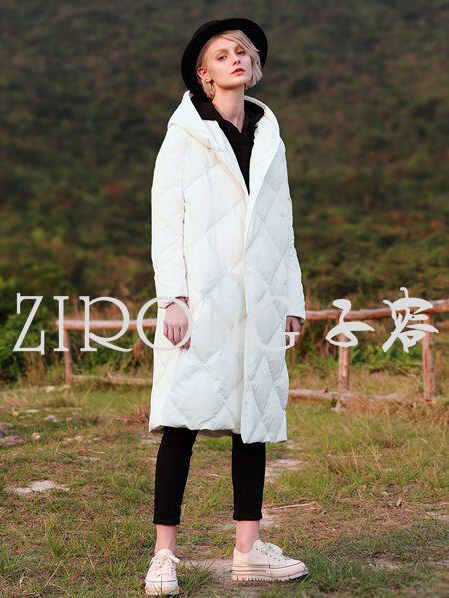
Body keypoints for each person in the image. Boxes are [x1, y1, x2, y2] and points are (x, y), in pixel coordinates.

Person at [145, 18, 308, 595]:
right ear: (204, 73)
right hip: (202, 299)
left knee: (252, 424)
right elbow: (166, 221)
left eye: (242, 52)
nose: (236, 58)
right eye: (222, 54)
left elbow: (282, 224)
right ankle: (164, 556)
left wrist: (290, 298)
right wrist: (173, 297)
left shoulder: (269, 135)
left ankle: (248, 550)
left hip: (258, 299)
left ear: (253, 66)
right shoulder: (183, 135)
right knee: (181, 422)